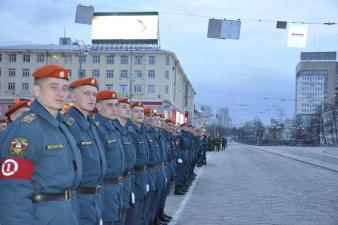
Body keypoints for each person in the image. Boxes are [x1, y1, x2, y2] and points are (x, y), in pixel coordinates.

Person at [0, 64, 83, 225]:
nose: (61, 93)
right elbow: (13, 189)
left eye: (65, 88)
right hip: (42, 216)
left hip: (66, 213)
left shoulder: (61, 127)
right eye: (53, 87)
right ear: (37, 90)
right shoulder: (26, 129)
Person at [64, 78, 107, 225]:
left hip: (95, 197)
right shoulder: (68, 125)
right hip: (79, 199)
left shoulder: (91, 125)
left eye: (94, 94)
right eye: (87, 93)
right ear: (73, 96)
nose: (92, 98)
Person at [94, 90, 125, 225]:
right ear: (98, 106)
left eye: (116, 105)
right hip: (105, 189)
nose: (114, 109)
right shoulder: (97, 128)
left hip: (116, 188)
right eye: (109, 105)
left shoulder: (112, 127)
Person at [111, 98, 136, 225]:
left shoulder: (127, 130)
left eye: (128, 107)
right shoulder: (113, 129)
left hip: (127, 180)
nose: (128, 110)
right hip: (114, 183)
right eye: (124, 107)